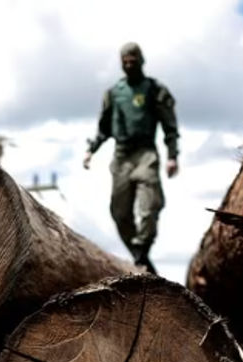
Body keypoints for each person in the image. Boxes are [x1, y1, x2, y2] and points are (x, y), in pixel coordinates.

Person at [83, 42, 179, 274]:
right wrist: (91, 150)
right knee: (120, 212)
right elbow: (104, 128)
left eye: (133, 60)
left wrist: (172, 156)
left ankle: (141, 251)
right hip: (121, 155)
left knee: (151, 203)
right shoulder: (114, 93)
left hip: (146, 153)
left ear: (141, 60)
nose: (129, 64)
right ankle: (141, 257)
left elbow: (169, 125)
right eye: (125, 61)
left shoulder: (155, 90)